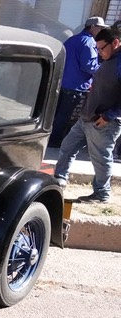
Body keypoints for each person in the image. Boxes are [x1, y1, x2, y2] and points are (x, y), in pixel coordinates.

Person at [54, 26, 121, 203]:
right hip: (87, 118)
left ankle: (102, 193)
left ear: (115, 42)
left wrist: (108, 116)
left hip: (104, 122)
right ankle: (59, 179)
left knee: (100, 159)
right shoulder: (109, 59)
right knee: (67, 146)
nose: (99, 53)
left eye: (101, 48)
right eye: (97, 49)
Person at [48, 17, 106, 148]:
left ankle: (49, 138)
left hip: (62, 83)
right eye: (100, 28)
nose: (101, 31)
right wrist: (105, 70)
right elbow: (89, 67)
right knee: (64, 116)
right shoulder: (89, 42)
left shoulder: (72, 39)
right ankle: (54, 141)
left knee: (56, 114)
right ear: (92, 27)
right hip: (76, 86)